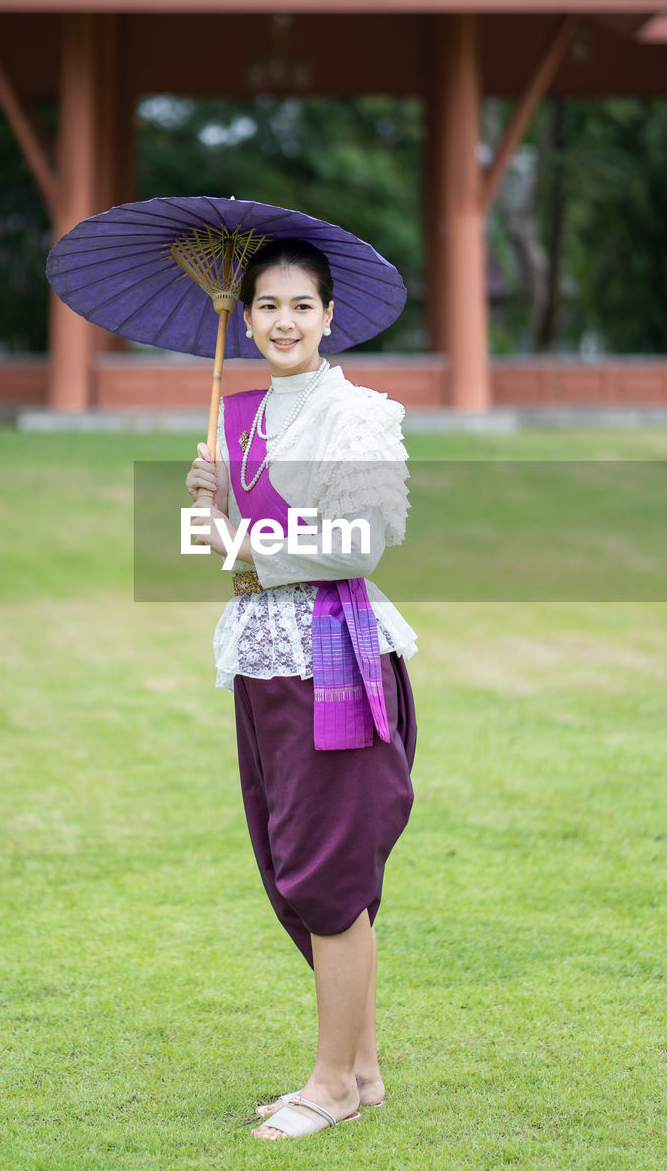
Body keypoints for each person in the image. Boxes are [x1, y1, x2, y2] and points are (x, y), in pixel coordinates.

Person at [185, 236, 417, 1141]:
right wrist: (203, 509)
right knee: (291, 864)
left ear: (329, 317)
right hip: (261, 657)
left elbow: (356, 547)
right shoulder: (231, 415)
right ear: (244, 321)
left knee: (328, 869)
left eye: (300, 306)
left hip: (336, 654)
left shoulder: (361, 416)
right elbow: (210, 553)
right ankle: (360, 1069)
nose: (283, 322)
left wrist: (239, 540)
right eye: (267, 307)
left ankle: (329, 1084)